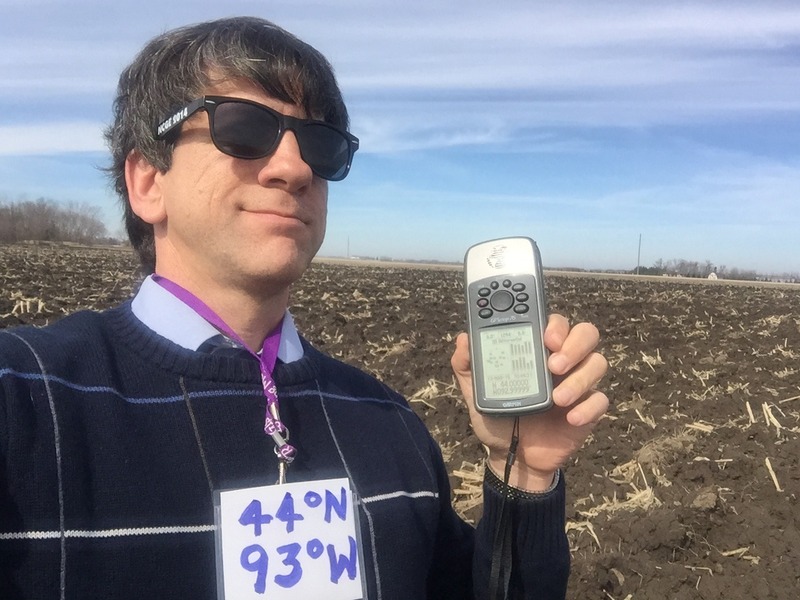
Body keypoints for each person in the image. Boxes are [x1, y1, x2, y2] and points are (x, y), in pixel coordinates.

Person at [0, 17, 608, 600]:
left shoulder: (387, 422)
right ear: (147, 182)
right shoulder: (26, 400)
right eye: (242, 127)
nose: (293, 168)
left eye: (319, 145)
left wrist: (522, 472)